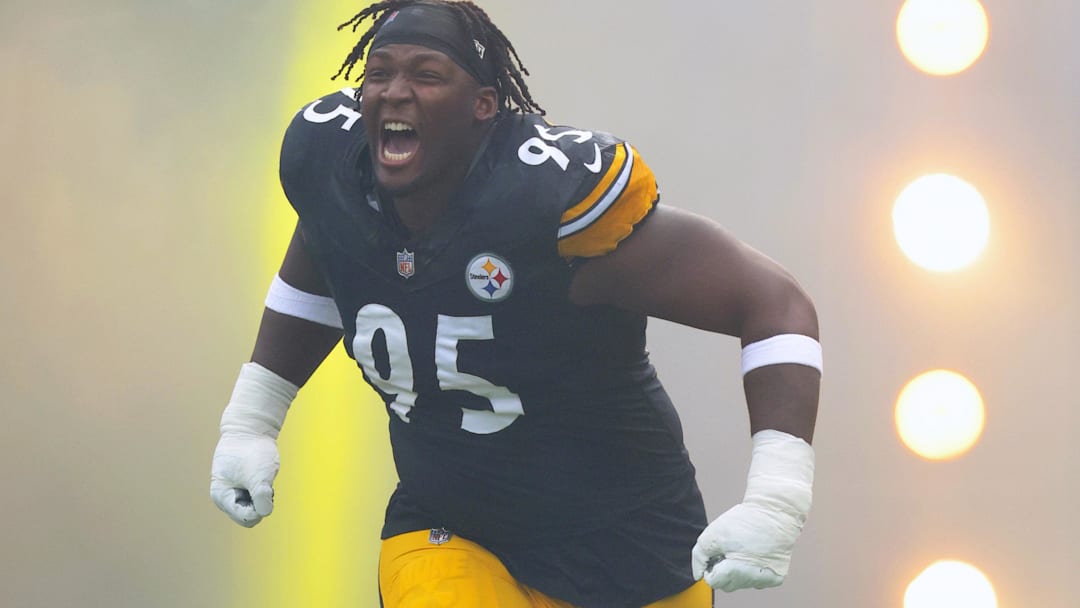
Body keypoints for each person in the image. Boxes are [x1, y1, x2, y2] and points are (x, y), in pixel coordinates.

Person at [210, 1, 822, 607]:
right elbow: (326, 252)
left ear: (483, 106)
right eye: (379, 73)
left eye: (426, 75)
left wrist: (777, 498)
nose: (394, 92)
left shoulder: (546, 204)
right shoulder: (332, 162)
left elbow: (774, 303)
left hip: (630, 554)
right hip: (452, 526)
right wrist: (253, 419)